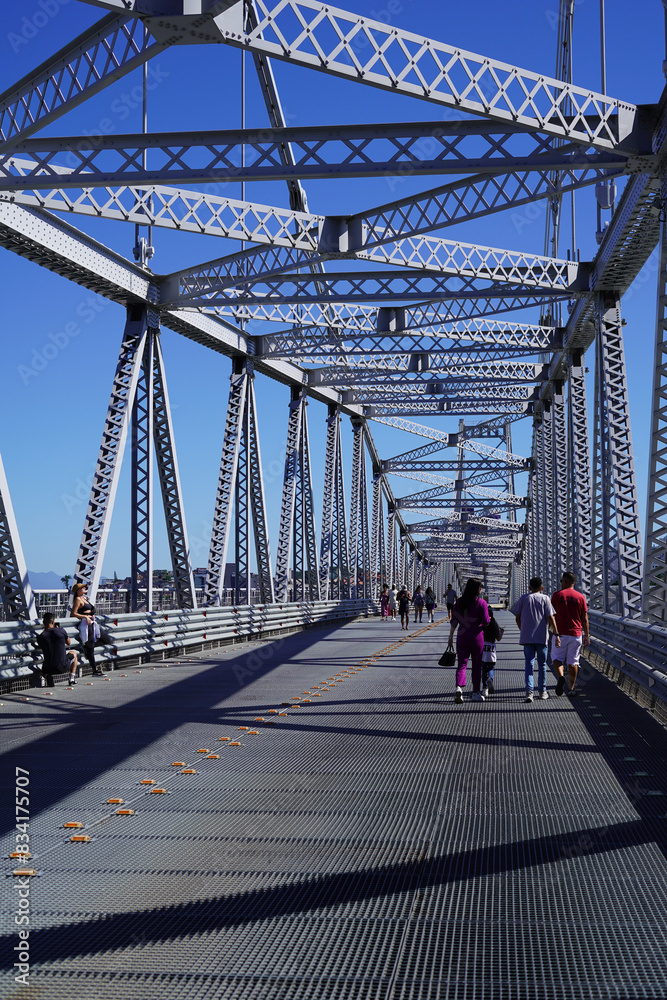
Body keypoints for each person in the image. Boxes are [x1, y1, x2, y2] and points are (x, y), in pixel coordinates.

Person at [511, 577, 560, 703]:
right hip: (542, 637)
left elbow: (517, 617)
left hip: (527, 637)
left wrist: (522, 630)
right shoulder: (545, 598)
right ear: (542, 588)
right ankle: (542, 691)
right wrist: (556, 634)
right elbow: (551, 617)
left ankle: (529, 692)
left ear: (529, 587)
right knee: (542, 664)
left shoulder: (523, 598)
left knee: (529, 664)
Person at [449, 577, 491, 703]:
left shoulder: (459, 602)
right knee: (476, 665)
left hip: (462, 635)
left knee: (462, 664)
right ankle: (475, 693)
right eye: (480, 588)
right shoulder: (481, 603)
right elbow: (486, 622)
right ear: (477, 589)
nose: (481, 590)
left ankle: (459, 688)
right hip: (477, 637)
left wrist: (450, 637)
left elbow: (454, 622)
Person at [550, 571, 589, 696]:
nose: (561, 583)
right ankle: (571, 688)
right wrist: (586, 635)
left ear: (566, 582)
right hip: (576, 634)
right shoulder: (581, 597)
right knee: (573, 662)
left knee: (557, 659)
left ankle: (561, 676)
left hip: (560, 634)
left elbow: (551, 615)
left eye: (562, 581)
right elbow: (585, 618)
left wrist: (551, 630)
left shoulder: (557, 596)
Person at [71, 582, 115, 677]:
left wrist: (91, 615)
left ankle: (87, 648)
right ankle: (95, 670)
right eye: (82, 587)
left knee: (107, 639)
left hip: (92, 622)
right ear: (78, 590)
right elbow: (73, 613)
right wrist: (85, 617)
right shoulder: (78, 599)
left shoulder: (84, 598)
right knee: (90, 647)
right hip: (86, 624)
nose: (84, 588)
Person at [36, 613, 78, 686]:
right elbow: (68, 643)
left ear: (43, 623)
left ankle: (47, 675)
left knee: (45, 665)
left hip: (48, 669)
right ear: (53, 622)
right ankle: (71, 679)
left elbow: (41, 646)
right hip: (62, 667)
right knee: (73, 653)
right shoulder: (61, 631)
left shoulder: (40, 637)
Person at [481, 607, 504, 698]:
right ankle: (490, 678)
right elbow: (498, 638)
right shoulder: (494, 625)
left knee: (484, 670)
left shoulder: (482, 624)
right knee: (491, 668)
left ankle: (485, 689)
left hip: (483, 651)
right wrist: (501, 632)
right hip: (491, 652)